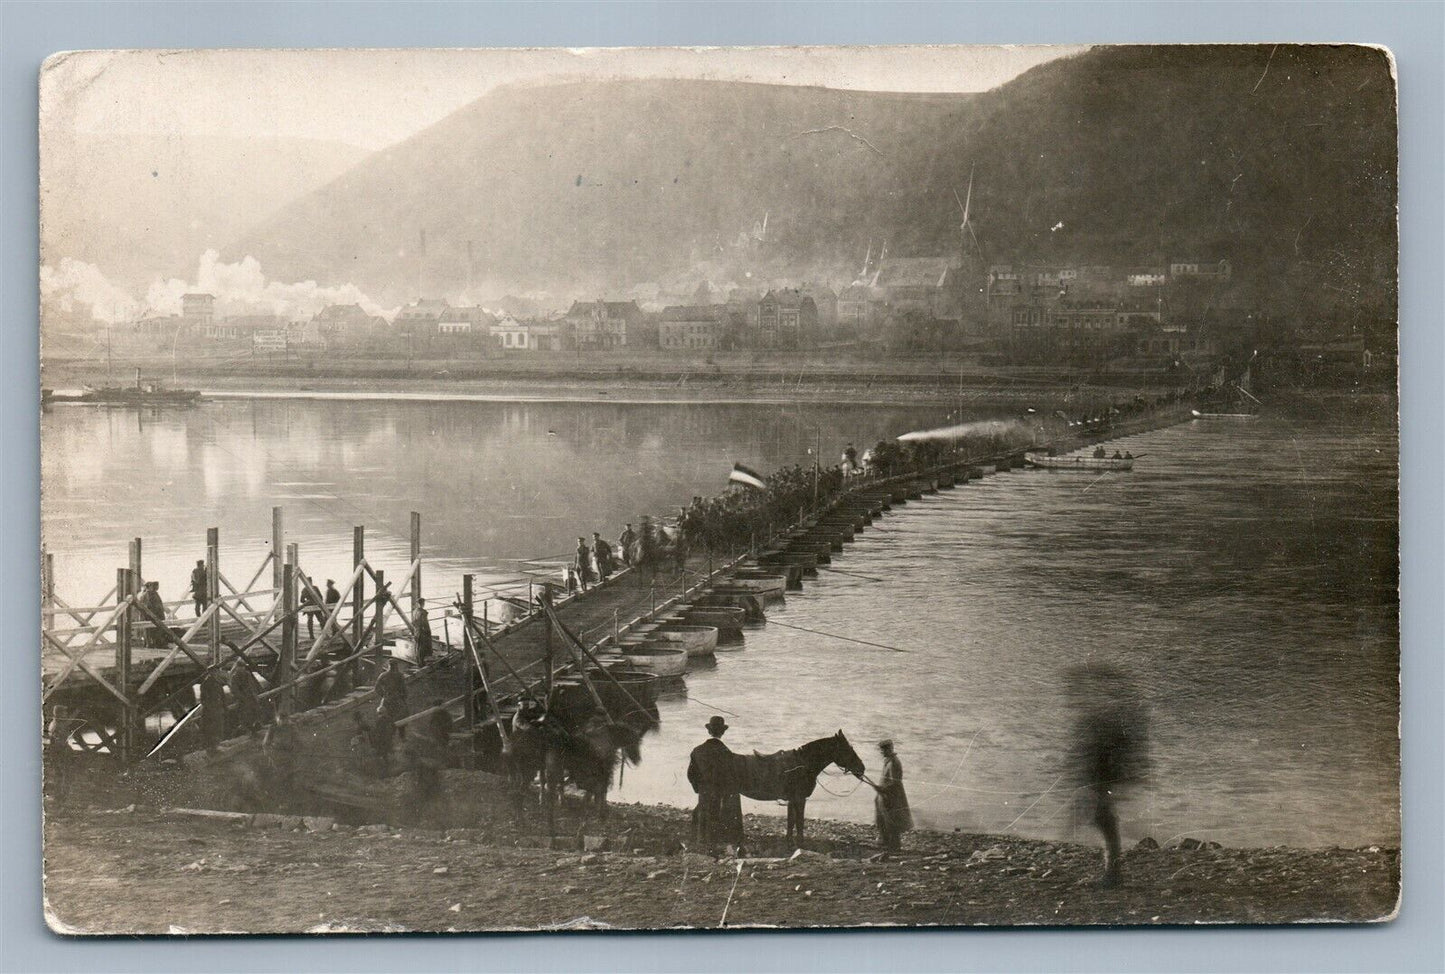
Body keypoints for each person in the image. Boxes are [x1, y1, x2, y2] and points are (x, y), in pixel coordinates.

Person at [687, 715, 744, 851]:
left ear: (709, 731)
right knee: (721, 816)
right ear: (722, 732)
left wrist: (699, 789)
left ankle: (702, 844)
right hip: (720, 794)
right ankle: (721, 845)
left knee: (703, 816)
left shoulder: (697, 750)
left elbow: (691, 774)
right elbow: (731, 776)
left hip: (704, 793)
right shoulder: (726, 752)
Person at [870, 740, 913, 852]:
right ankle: (885, 841)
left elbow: (895, 782)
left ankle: (894, 846)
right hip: (884, 794)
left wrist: (882, 789)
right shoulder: (888, 761)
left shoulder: (894, 762)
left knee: (892, 820)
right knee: (882, 819)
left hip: (892, 795)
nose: (882, 752)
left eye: (884, 750)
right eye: (881, 750)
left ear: (890, 749)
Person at [375, 657, 409, 739]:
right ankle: (401, 736)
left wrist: (383, 695)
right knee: (401, 716)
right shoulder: (399, 675)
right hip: (397, 699)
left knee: (386, 717)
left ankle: (389, 736)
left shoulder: (383, 675)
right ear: (396, 666)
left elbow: (377, 688)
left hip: (387, 699)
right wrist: (403, 698)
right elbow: (404, 689)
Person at [138, 581, 169, 647]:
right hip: (151, 615)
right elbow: (149, 605)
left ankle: (152, 643)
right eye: (153, 586)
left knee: (151, 629)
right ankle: (151, 643)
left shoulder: (150, 594)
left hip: (154, 614)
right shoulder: (148, 594)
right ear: (149, 587)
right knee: (150, 629)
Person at [412, 598, 433, 665]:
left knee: (417, 645)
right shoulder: (423, 612)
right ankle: (421, 662)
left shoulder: (414, 611)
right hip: (422, 631)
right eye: (423, 603)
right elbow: (425, 623)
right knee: (422, 646)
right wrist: (428, 631)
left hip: (416, 631)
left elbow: (413, 622)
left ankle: (418, 661)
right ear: (423, 603)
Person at [298, 575, 320, 640]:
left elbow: (320, 597)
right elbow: (301, 600)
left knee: (320, 620)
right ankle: (311, 636)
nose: (310, 583)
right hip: (311, 607)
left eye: (310, 581)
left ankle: (324, 635)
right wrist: (308, 602)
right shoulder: (306, 589)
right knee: (311, 621)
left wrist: (317, 603)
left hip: (316, 606)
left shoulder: (314, 588)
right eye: (309, 581)